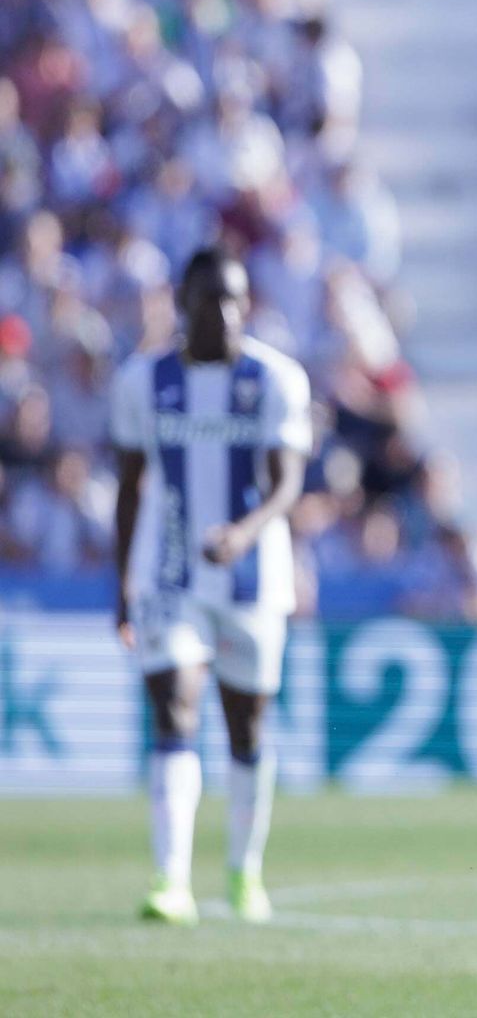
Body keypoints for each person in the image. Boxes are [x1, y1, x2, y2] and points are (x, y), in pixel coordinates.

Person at [110, 247, 313, 925]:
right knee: (175, 709)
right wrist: (121, 584)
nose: (224, 315)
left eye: (235, 301)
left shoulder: (277, 378)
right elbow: (131, 488)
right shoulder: (143, 381)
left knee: (247, 728)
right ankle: (171, 881)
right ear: (184, 305)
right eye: (210, 301)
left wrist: (247, 532)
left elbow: (288, 480)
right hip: (168, 573)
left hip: (254, 576)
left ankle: (243, 873)